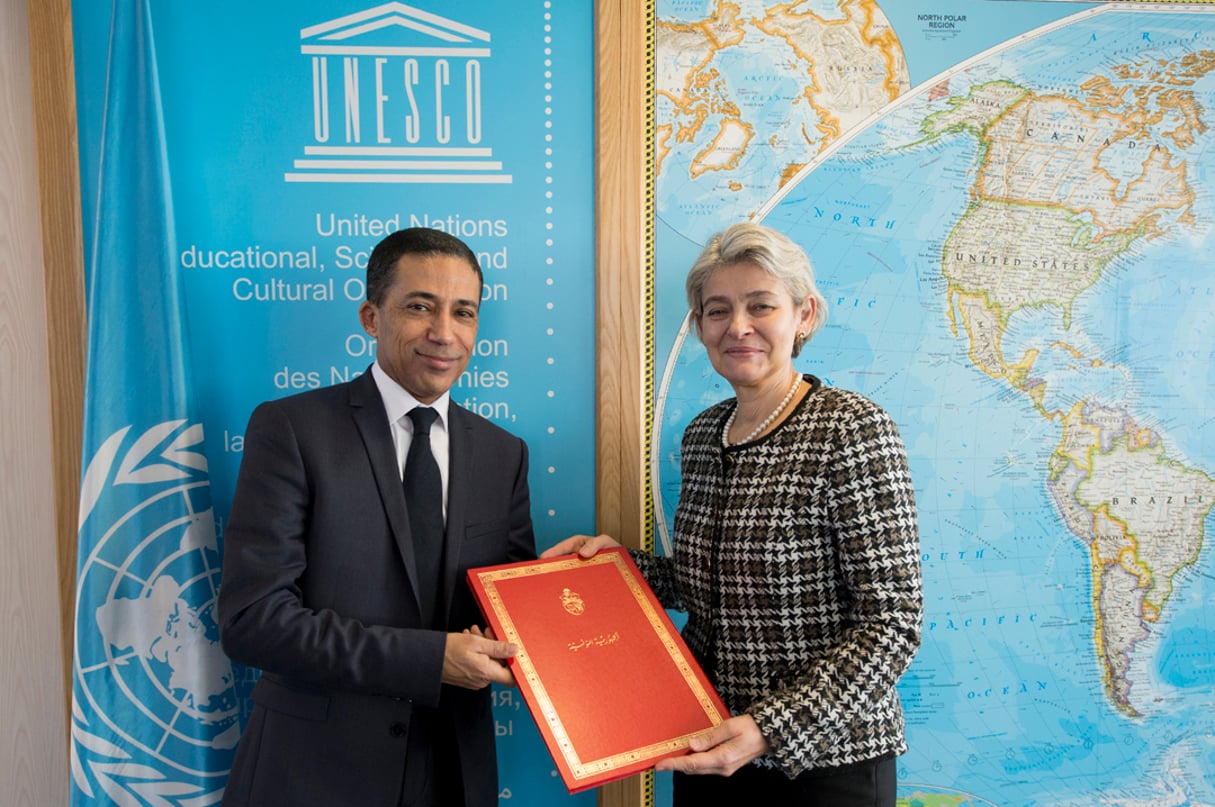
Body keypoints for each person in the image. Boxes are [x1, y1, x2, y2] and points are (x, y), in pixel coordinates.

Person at [544, 222, 922, 805]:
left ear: (804, 315)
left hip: (824, 763)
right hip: (708, 747)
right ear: (699, 327)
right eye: (717, 311)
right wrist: (619, 568)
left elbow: (891, 623)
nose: (737, 327)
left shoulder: (851, 429)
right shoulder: (701, 435)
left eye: (761, 305)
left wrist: (770, 728)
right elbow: (710, 586)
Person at [218, 227, 537, 807]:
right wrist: (429, 660)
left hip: (454, 774)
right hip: (314, 775)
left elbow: (508, 611)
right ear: (371, 316)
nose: (444, 333)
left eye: (463, 313)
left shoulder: (502, 453)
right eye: (420, 307)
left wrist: (564, 594)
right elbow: (253, 620)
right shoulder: (292, 429)